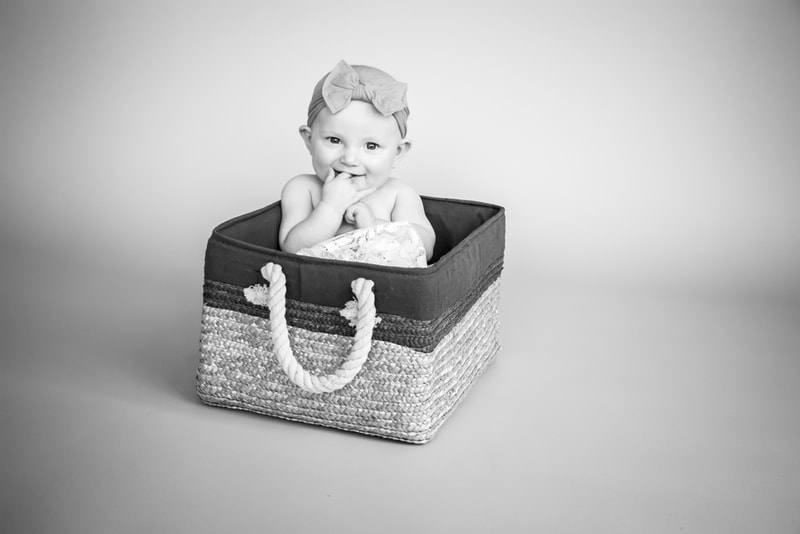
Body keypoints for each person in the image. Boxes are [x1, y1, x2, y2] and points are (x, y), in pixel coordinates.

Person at [279, 60, 435, 264]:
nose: (350, 160)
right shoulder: (302, 188)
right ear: (309, 140)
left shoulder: (398, 194)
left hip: (385, 291)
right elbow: (290, 249)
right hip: (317, 291)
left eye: (371, 146)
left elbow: (426, 248)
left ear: (398, 152)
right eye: (334, 140)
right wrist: (330, 208)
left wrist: (373, 225)